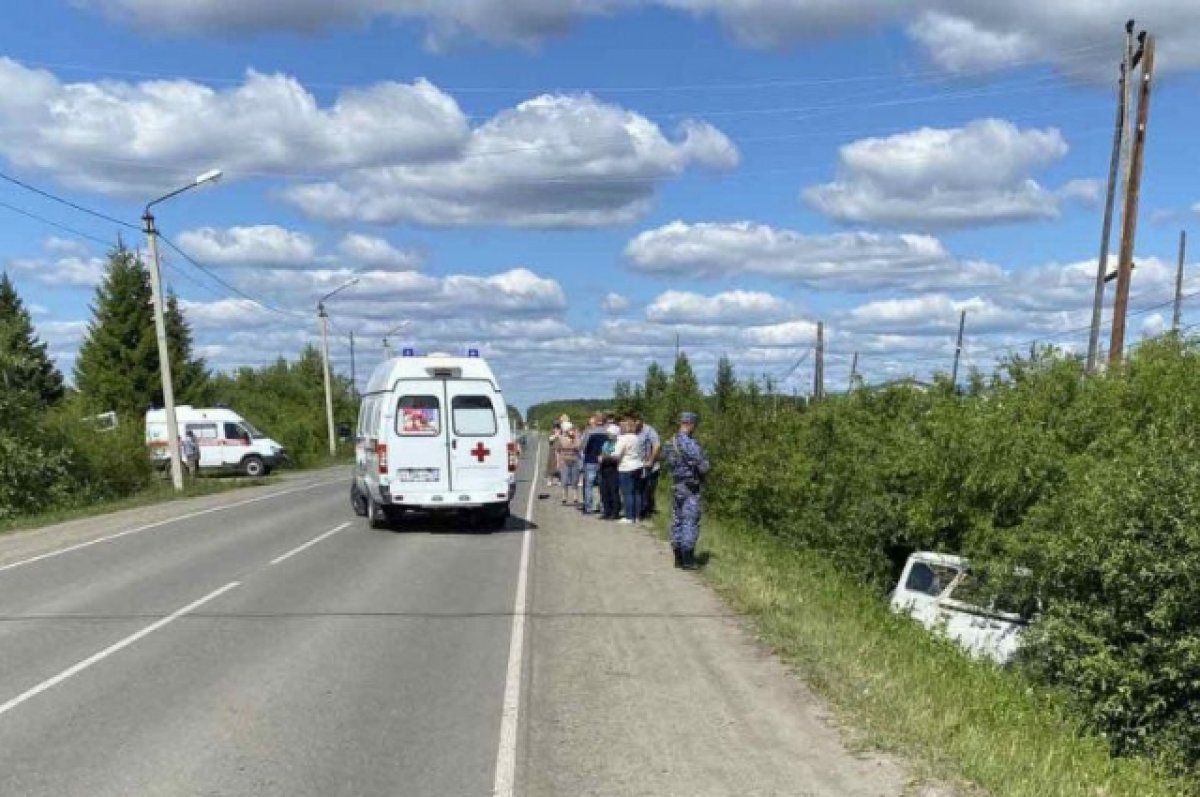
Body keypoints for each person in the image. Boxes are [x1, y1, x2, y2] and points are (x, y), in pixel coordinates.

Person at [665, 411, 710, 569]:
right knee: (690, 520)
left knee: (677, 520)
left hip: (677, 484)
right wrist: (705, 469)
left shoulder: (671, 442)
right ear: (690, 424)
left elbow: (669, 463)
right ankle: (688, 559)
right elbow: (701, 463)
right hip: (691, 486)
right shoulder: (689, 443)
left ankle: (677, 556)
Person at [612, 415, 645, 525]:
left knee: (627, 493)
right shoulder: (637, 438)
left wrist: (609, 455)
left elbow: (617, 454)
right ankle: (637, 516)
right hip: (638, 466)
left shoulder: (623, 439)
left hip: (626, 467)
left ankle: (629, 516)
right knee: (637, 492)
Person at [579, 414, 608, 515]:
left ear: (596, 421)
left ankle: (588, 508)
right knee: (602, 485)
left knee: (589, 485)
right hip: (604, 461)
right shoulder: (608, 432)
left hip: (590, 460)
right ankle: (604, 506)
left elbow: (583, 446)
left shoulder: (589, 432)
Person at [635, 415, 662, 520]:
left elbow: (657, 446)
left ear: (641, 420)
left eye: (637, 421)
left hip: (650, 466)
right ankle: (640, 510)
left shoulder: (649, 431)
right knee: (639, 489)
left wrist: (651, 460)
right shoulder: (632, 430)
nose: (635, 423)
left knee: (648, 489)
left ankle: (646, 511)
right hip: (636, 465)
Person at [599, 422, 622, 520]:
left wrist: (605, 457)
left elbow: (615, 457)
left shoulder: (618, 443)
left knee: (613, 491)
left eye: (609, 433)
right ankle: (606, 511)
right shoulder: (606, 443)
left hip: (613, 468)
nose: (607, 435)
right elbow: (603, 452)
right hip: (604, 468)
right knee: (604, 490)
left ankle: (615, 512)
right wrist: (601, 456)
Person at [558, 423, 582, 506]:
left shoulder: (576, 438)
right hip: (564, 461)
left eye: (572, 429)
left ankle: (575, 498)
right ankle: (564, 497)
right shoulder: (561, 438)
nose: (571, 431)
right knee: (564, 480)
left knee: (575, 480)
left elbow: (578, 447)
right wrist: (558, 462)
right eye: (569, 430)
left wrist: (575, 438)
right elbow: (558, 450)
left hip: (575, 460)